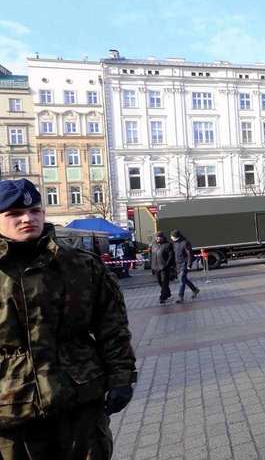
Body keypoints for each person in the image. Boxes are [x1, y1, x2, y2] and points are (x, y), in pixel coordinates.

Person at [0, 178, 137, 459]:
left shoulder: (80, 264)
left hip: (79, 405)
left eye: (35, 211)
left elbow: (112, 327)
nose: (28, 218)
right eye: (14, 214)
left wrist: (121, 377)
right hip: (9, 413)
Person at [170, 229, 200, 303]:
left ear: (176, 236)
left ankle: (180, 296)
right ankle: (194, 289)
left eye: (172, 236)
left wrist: (189, 265)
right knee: (184, 279)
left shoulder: (185, 243)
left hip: (184, 264)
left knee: (181, 280)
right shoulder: (175, 244)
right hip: (178, 265)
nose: (171, 238)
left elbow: (190, 255)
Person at [151, 231, 175, 304]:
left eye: (158, 237)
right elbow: (150, 254)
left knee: (164, 281)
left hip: (164, 267)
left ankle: (163, 297)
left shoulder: (168, 245)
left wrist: (167, 264)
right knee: (160, 281)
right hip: (155, 266)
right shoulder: (154, 245)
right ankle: (167, 293)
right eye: (156, 237)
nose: (157, 238)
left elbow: (171, 255)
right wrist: (150, 262)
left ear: (162, 237)